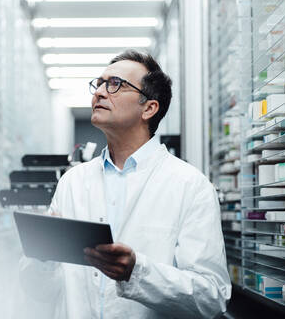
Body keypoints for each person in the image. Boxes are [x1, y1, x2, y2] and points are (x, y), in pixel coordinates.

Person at [19, 49, 231, 318]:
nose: (99, 92)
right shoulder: (72, 182)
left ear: (149, 108)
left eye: (115, 84)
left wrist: (137, 272)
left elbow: (211, 297)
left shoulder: (191, 186)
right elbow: (41, 292)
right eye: (99, 84)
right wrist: (42, 259)